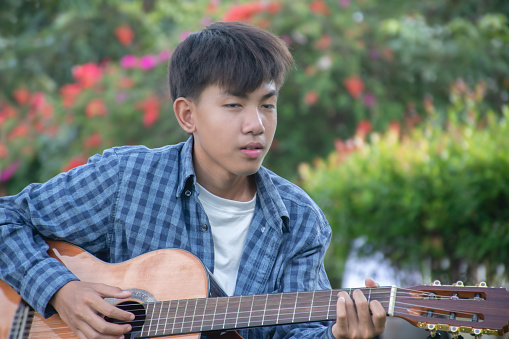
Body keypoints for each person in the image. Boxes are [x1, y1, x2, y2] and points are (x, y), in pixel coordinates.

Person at [0, 22, 386, 339]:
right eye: (234, 105)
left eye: (267, 104)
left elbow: (298, 332)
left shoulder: (300, 220)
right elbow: (6, 218)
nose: (257, 125)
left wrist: (340, 336)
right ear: (188, 115)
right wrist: (61, 291)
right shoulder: (126, 180)